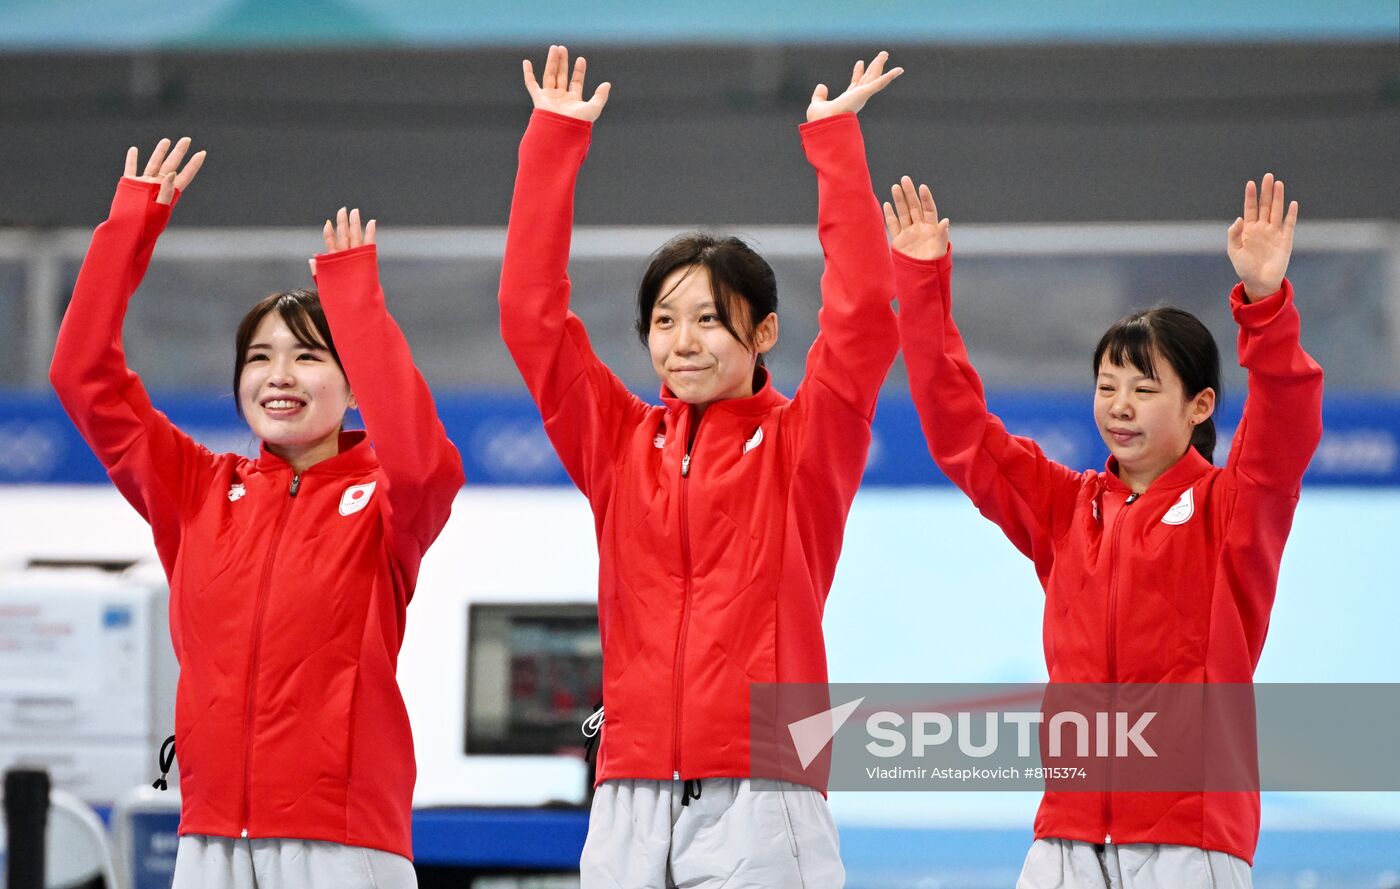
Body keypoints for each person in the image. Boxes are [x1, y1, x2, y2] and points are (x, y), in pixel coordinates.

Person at [498, 44, 902, 888]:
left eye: (711, 319)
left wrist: (833, 146)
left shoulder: (805, 442)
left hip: (766, 785)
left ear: (763, 335)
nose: (682, 341)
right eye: (665, 319)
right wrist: (552, 145)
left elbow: (863, 316)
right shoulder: (618, 442)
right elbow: (532, 320)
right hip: (629, 788)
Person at [885, 172, 1323, 887]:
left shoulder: (1232, 511)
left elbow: (1286, 424)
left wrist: (1267, 306)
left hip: (1190, 842)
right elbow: (959, 429)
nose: (1120, 406)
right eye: (1107, 386)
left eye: (1145, 389)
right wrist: (921, 279)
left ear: (1200, 406)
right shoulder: (1064, 510)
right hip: (1065, 839)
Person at [49, 138, 463, 889]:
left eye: (307, 356)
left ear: (352, 382)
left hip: (342, 844)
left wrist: (356, 303)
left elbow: (426, 457)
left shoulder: (387, 502)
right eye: (259, 357)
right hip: (209, 839)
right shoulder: (197, 490)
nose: (279, 376)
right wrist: (130, 227)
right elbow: (82, 375)